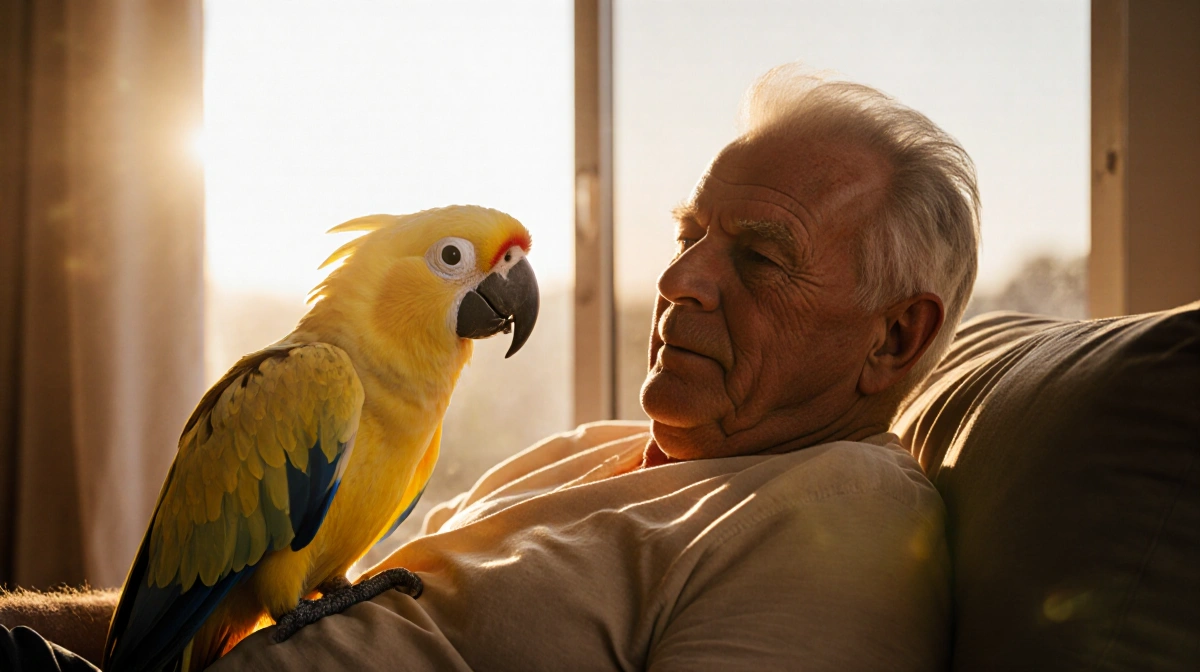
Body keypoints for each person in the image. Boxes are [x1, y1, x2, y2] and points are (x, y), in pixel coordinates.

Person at [1, 64, 979, 670]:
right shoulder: (590, 453)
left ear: (893, 338)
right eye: (687, 235)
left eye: (759, 256)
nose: (679, 278)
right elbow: (259, 612)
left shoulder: (840, 524)